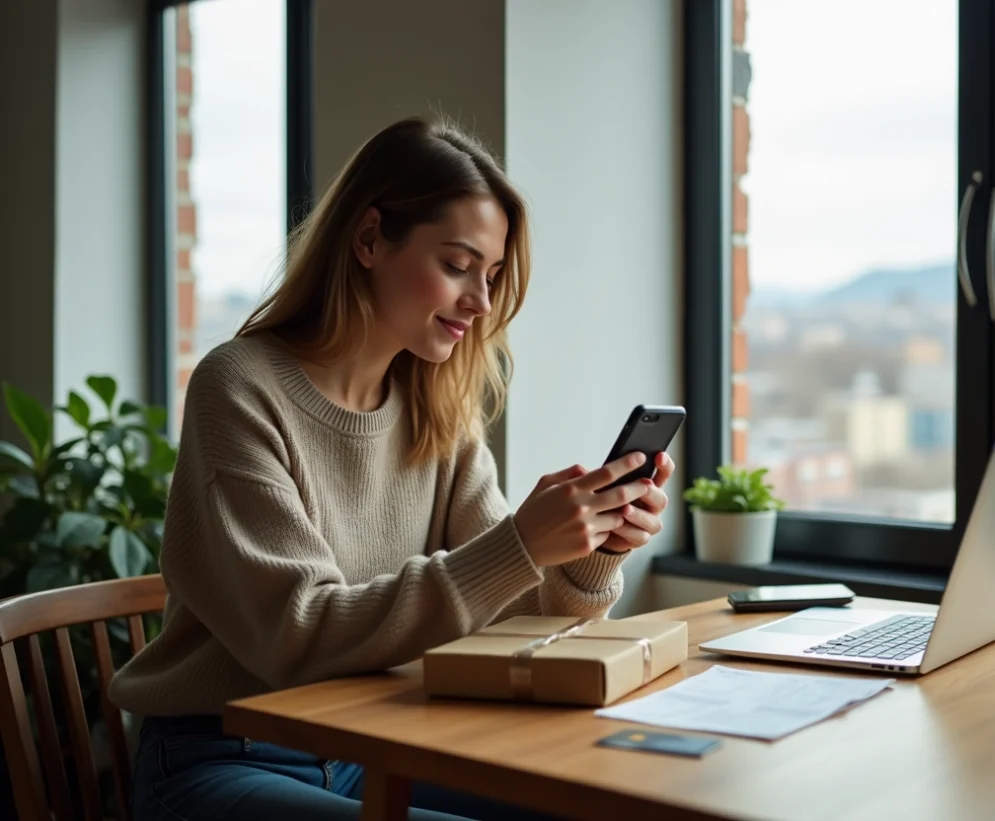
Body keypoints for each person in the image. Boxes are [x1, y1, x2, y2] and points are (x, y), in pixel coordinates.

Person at [109, 117, 675, 821]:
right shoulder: (240, 386)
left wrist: (593, 551)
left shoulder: (436, 406)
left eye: (492, 275)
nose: (482, 301)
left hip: (371, 745)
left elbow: (503, 613)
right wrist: (521, 545)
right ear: (370, 237)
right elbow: (298, 634)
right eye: (458, 264)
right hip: (224, 756)